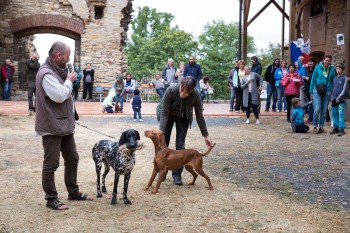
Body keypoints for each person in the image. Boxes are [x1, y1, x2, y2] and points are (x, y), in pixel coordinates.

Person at [35, 41, 92, 211]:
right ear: (58, 56)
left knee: (72, 158)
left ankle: (73, 192)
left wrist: (69, 81)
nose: (69, 59)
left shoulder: (59, 70)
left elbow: (66, 95)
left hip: (64, 124)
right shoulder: (46, 74)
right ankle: (51, 199)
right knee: (51, 164)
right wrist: (68, 81)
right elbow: (59, 96)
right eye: (67, 56)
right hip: (51, 126)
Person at [159, 76, 214, 186]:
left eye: (186, 92)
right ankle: (162, 171)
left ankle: (177, 175)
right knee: (164, 144)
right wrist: (161, 132)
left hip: (184, 117)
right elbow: (164, 112)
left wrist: (206, 135)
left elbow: (199, 116)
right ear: (180, 84)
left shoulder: (196, 94)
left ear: (192, 90)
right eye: (182, 89)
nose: (183, 93)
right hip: (168, 116)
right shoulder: (171, 90)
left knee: (180, 145)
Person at [310, 55, 336, 134]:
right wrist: (311, 92)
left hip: (326, 92)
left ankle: (321, 127)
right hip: (316, 91)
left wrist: (330, 90)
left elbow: (333, 81)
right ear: (323, 60)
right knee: (317, 109)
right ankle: (315, 126)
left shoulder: (331, 70)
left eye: (329, 61)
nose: (327, 62)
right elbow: (313, 79)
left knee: (324, 111)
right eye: (326, 60)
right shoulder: (317, 68)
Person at [329, 63, 348, 136]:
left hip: (341, 100)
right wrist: (331, 98)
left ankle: (341, 129)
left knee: (340, 114)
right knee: (334, 114)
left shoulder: (344, 78)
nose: (338, 70)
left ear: (342, 70)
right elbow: (332, 89)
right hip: (334, 100)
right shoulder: (335, 78)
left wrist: (339, 98)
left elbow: (345, 89)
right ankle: (336, 127)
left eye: (340, 69)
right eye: (337, 69)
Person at [302, 58, 316, 124]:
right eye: (309, 62)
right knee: (309, 105)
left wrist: (308, 78)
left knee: (311, 105)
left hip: (312, 90)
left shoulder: (315, 70)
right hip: (307, 89)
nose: (310, 63)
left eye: (312, 62)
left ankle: (311, 119)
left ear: (314, 63)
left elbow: (314, 79)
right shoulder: (307, 70)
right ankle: (310, 118)